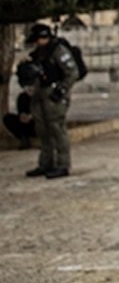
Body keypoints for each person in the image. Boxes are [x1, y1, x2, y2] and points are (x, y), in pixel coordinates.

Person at [20, 24, 79, 178]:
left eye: (38, 39)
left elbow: (72, 73)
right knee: (42, 129)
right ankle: (46, 163)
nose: (36, 43)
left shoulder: (58, 50)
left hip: (54, 95)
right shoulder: (38, 53)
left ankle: (63, 165)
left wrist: (61, 90)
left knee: (57, 130)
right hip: (39, 95)